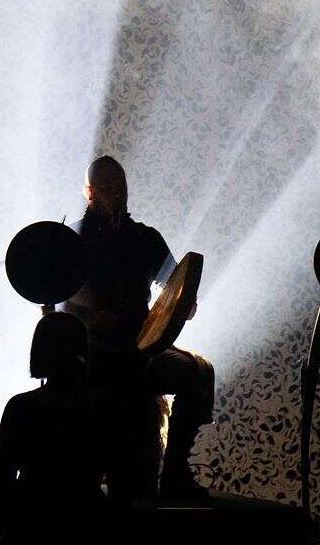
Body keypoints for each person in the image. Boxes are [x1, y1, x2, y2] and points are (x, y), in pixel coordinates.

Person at [61, 155, 213, 500]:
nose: (117, 192)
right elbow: (57, 307)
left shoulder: (145, 238)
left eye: (121, 185)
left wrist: (183, 305)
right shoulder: (72, 241)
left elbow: (174, 284)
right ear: (90, 192)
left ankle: (175, 472)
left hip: (140, 348)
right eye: (108, 186)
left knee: (197, 371)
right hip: (90, 354)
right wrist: (89, 320)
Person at [0, 312, 104, 545]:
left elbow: (1, 478)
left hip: (31, 521)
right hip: (88, 522)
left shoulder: (21, 406)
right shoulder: (102, 406)